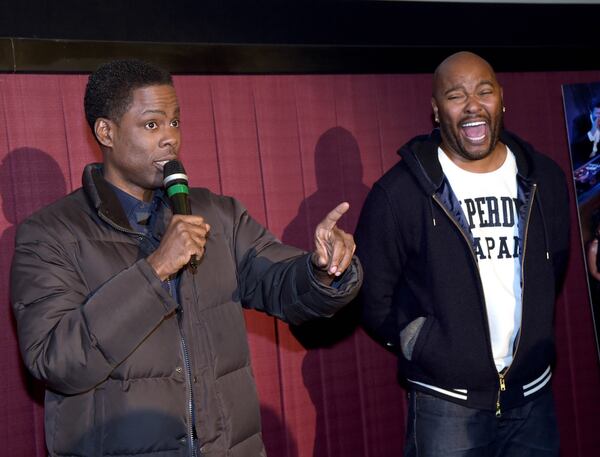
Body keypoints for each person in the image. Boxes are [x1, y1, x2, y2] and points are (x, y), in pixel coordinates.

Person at [10, 60, 362, 457]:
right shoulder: (49, 234)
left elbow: (281, 283)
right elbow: (55, 361)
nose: (170, 140)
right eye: (152, 125)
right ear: (106, 132)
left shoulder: (216, 214)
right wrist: (155, 270)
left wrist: (322, 270)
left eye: (175, 123)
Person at [355, 51, 570, 456]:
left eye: (484, 91)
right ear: (436, 110)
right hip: (445, 403)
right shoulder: (399, 193)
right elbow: (373, 296)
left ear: (501, 99)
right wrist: (425, 344)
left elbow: (554, 266)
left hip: (532, 397)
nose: (473, 105)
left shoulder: (546, 180)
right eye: (456, 96)